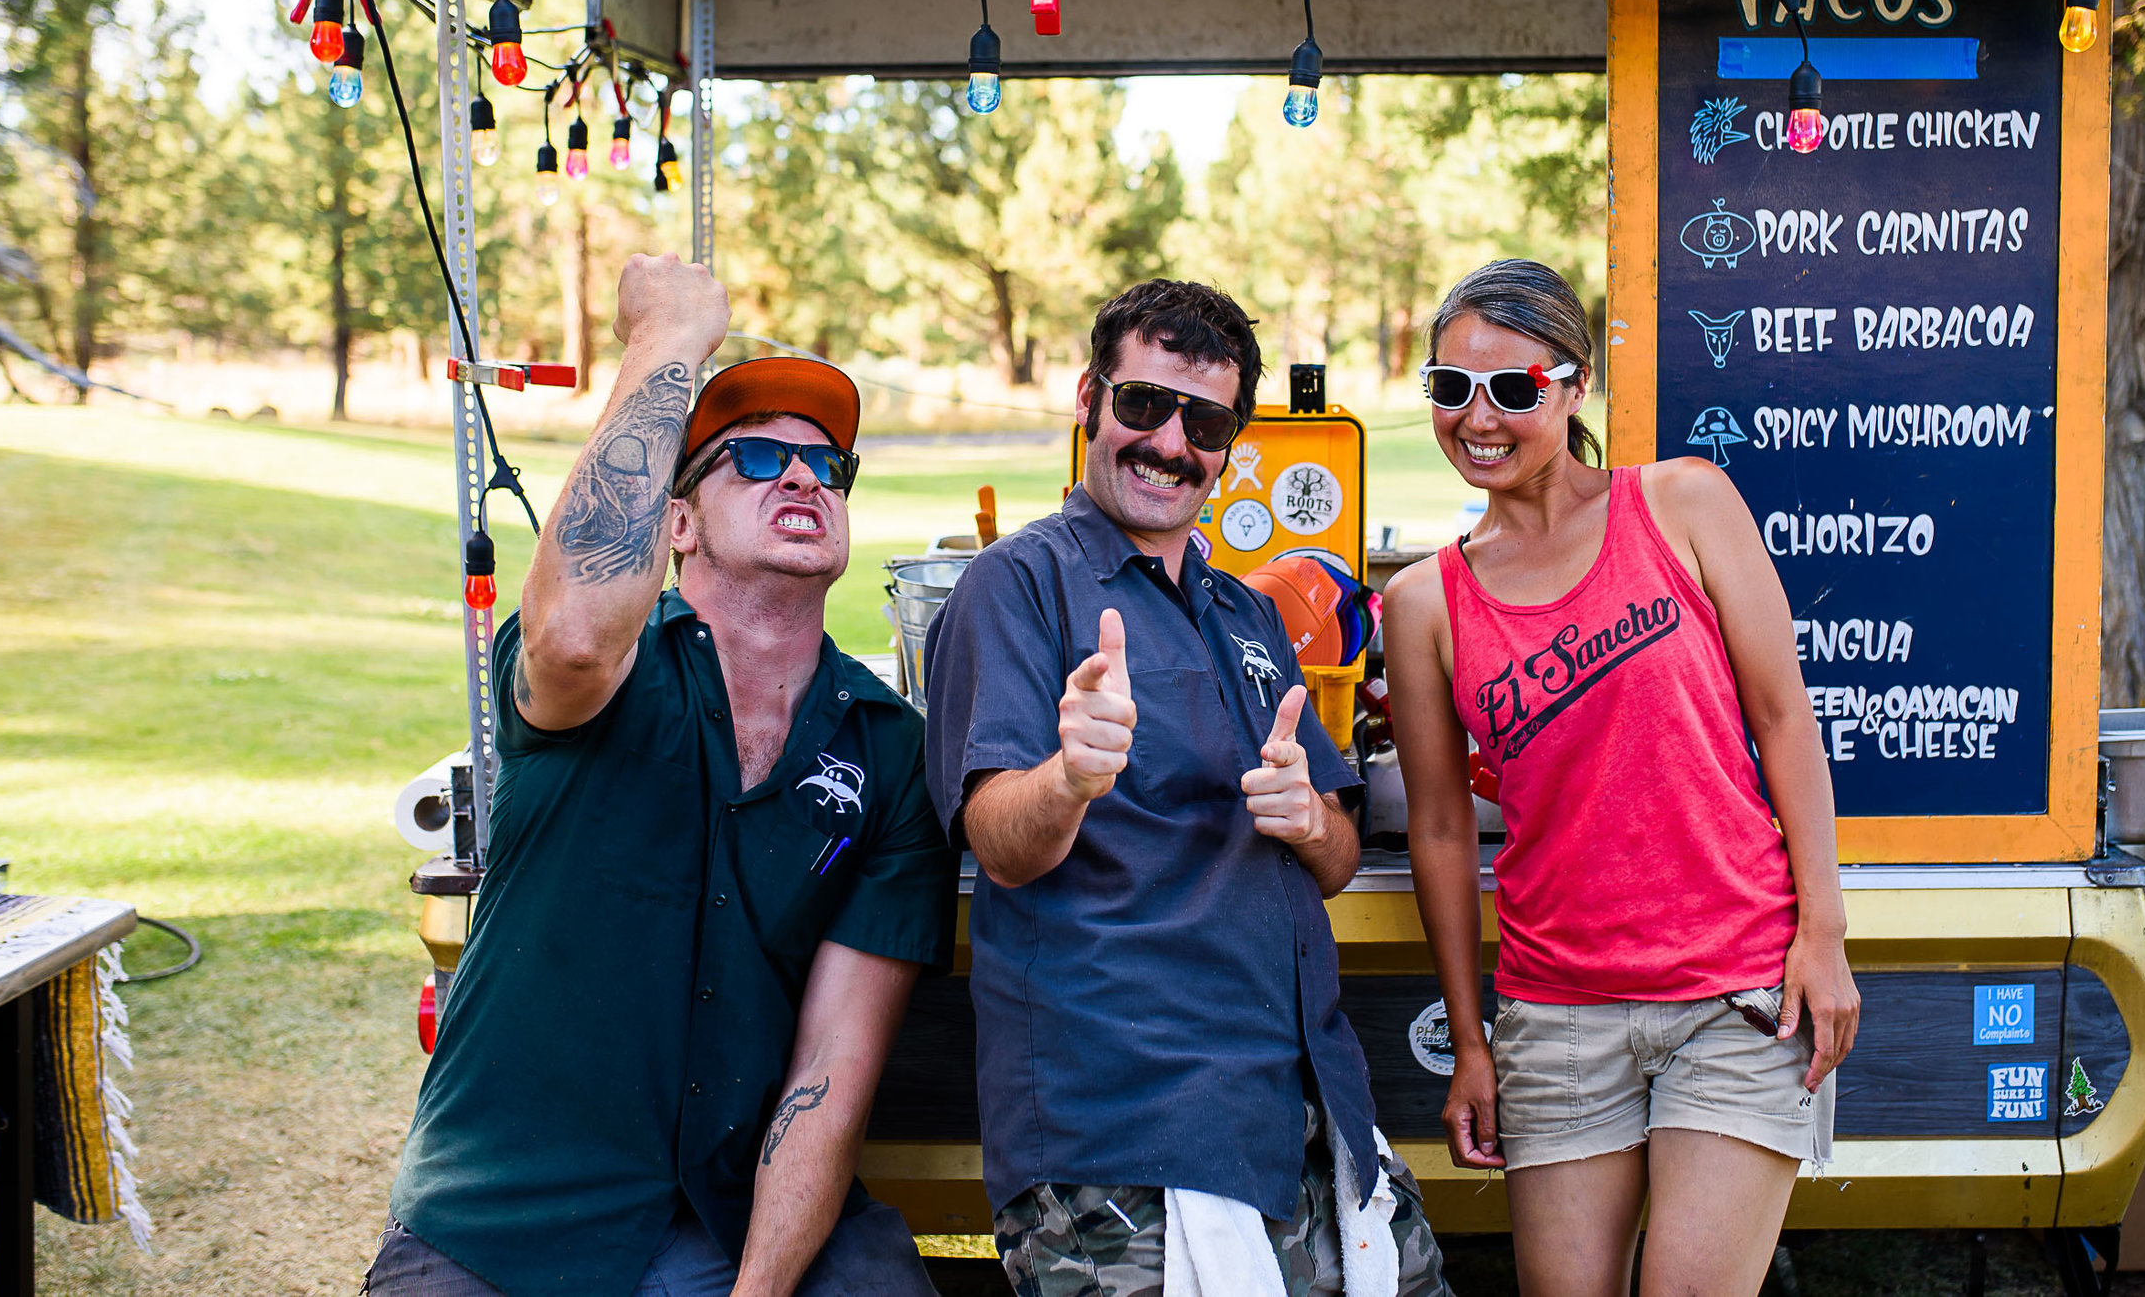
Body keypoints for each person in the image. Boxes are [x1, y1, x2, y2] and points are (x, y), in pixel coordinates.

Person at [368, 254, 957, 1297]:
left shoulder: (882, 747)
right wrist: (669, 338)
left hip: (740, 1212)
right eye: (757, 459)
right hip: (510, 1209)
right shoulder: (608, 666)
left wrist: (759, 1291)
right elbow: (578, 639)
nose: (803, 479)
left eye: (828, 466)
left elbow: (831, 1066)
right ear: (674, 522)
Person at [922, 279, 1451, 1297]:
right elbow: (1000, 841)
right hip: (1122, 1133)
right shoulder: (1017, 587)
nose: (1170, 442)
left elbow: (1337, 855)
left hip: (1303, 1105)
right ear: (1088, 397)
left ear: (1228, 443)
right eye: (1143, 405)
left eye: (1203, 420)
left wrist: (1311, 820)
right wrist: (1071, 777)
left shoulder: (1245, 615)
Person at [1380, 258, 1859, 1297]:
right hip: (1556, 1016)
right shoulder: (1423, 604)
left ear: (1573, 385)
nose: (1480, 418)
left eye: (1514, 388)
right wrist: (1472, 1041)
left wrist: (1822, 935)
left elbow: (1785, 721)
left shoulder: (1683, 503)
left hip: (1734, 995)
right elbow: (1441, 830)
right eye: (1450, 388)